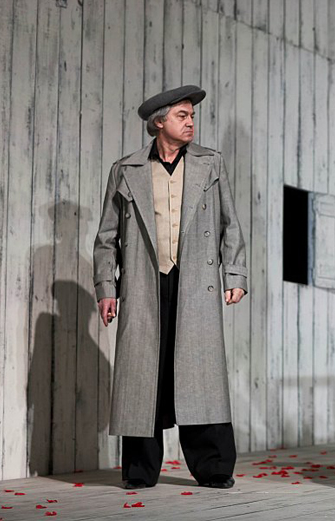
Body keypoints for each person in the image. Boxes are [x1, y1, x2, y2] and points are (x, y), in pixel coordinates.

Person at [94, 85, 248, 490]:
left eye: (192, 115)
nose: (191, 122)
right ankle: (139, 470)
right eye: (182, 115)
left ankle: (214, 467)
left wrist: (234, 275)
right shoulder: (126, 169)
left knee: (200, 373)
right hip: (144, 282)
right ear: (159, 122)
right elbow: (106, 237)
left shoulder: (210, 163)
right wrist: (107, 288)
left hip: (195, 281)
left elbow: (230, 224)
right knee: (144, 375)